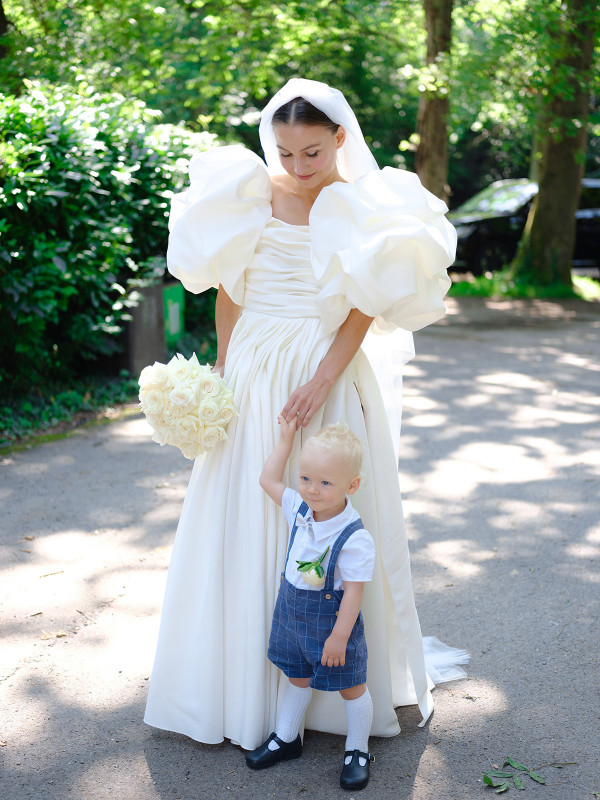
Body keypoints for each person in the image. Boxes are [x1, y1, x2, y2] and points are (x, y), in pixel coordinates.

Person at [144, 78, 466, 752]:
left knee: (327, 504)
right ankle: (236, 687)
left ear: (339, 139)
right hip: (256, 359)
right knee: (243, 509)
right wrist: (226, 369)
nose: (296, 167)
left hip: (322, 362)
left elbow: (361, 305)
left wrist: (325, 377)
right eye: (286, 152)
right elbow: (229, 292)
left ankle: (327, 699)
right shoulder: (248, 191)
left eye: (311, 153)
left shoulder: (359, 204)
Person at [247, 419, 374, 790]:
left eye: (325, 482)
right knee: (296, 676)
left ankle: (357, 748)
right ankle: (287, 738)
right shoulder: (300, 509)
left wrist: (339, 637)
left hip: (332, 625)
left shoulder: (354, 536)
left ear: (352, 485)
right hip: (290, 614)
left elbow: (353, 592)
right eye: (305, 479)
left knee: (351, 685)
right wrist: (286, 441)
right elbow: (268, 481)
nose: (312, 490)